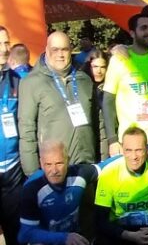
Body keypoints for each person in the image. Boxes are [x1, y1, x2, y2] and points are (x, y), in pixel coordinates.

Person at [19, 31, 97, 175]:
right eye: (55, 49)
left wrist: (102, 163)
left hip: (87, 165)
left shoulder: (84, 80)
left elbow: (99, 123)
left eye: (65, 49)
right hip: (54, 172)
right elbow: (26, 131)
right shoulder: (31, 83)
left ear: (71, 50)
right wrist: (33, 175)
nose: (60, 55)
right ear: (47, 51)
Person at [102, 14, 148, 156]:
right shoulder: (119, 59)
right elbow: (107, 102)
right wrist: (112, 140)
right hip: (131, 141)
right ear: (132, 33)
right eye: (144, 28)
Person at [0, 26, 32, 245]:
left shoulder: (17, 80)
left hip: (11, 171)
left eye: (5, 43)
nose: (2, 49)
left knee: (15, 233)